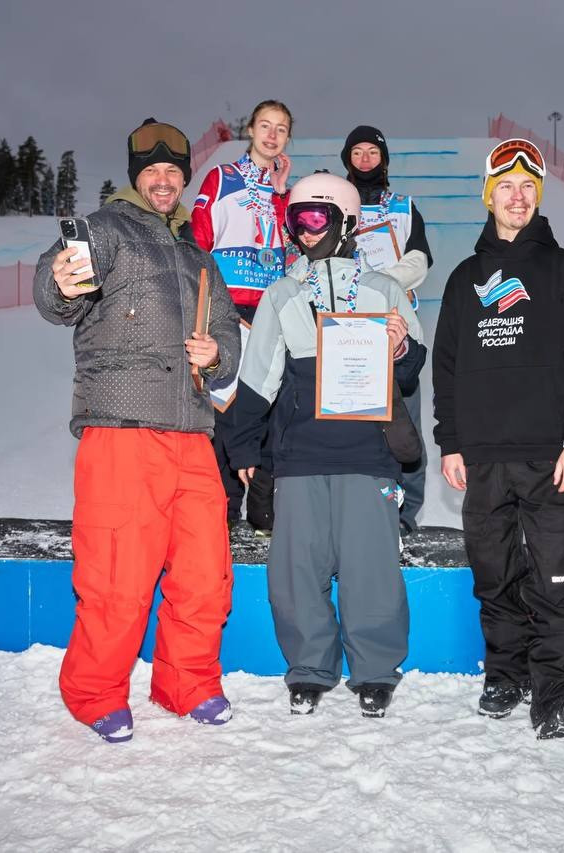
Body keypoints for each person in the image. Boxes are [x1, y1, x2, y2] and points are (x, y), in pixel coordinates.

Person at [34, 118, 242, 743]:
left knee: (205, 574)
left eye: (173, 171)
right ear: (135, 177)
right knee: (117, 574)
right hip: (123, 430)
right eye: (152, 171)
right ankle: (94, 692)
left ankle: (188, 683)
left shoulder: (198, 257)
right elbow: (58, 287)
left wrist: (218, 353)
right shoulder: (107, 230)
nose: (163, 180)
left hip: (193, 435)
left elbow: (227, 331)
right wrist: (59, 282)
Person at [226, 173, 427, 718]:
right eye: (296, 222)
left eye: (317, 219)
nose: (305, 232)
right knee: (296, 571)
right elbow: (258, 379)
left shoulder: (383, 289)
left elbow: (412, 368)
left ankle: (375, 669)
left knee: (371, 569)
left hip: (368, 453)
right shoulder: (283, 294)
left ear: (346, 224)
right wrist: (244, 450)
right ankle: (310, 667)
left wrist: (400, 348)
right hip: (301, 456)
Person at [432, 139, 564, 740]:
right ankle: (506, 672)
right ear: (489, 196)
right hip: (483, 458)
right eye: (505, 186)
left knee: (556, 576)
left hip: (549, 456)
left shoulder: (563, 270)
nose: (517, 196)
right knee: (495, 573)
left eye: (528, 187)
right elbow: (447, 368)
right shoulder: (465, 278)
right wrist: (451, 442)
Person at [191, 99, 294, 534]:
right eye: (265, 126)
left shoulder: (287, 190)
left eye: (281, 129)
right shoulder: (221, 177)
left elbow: (293, 247)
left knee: (266, 407)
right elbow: (199, 238)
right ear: (250, 130)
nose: (272, 135)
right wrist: (200, 301)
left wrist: (282, 194)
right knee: (223, 409)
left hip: (270, 310)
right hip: (228, 307)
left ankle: (264, 510)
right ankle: (223, 510)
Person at [340, 125, 434, 533]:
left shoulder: (403, 206)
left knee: (404, 423)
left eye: (372, 152)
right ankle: (356, 506)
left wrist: (375, 282)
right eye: (357, 152)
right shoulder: (336, 200)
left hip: (396, 328)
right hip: (347, 328)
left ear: (384, 159)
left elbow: (420, 261)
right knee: (351, 423)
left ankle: (405, 515)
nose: (365, 159)